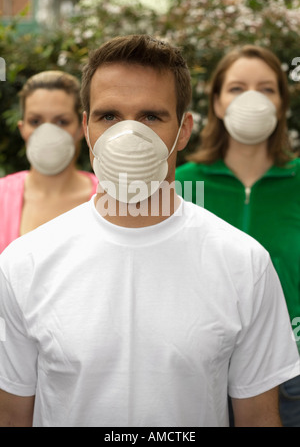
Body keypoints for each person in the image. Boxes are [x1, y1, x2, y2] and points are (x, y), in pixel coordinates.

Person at [0, 35, 299, 428]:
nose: (128, 135)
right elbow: (11, 416)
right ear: (87, 128)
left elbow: (260, 418)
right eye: (109, 116)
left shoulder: (244, 262)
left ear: (184, 129)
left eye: (150, 117)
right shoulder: (25, 264)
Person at [175, 45, 300, 426]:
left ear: (281, 104)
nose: (252, 99)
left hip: (292, 375)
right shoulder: (180, 185)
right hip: (199, 372)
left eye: (266, 89)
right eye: (237, 88)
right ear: (215, 102)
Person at [0, 70, 98, 253]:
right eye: (35, 121)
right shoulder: (2, 196)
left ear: (81, 128)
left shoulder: (109, 198)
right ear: (22, 129)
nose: (47, 132)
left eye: (61, 121)